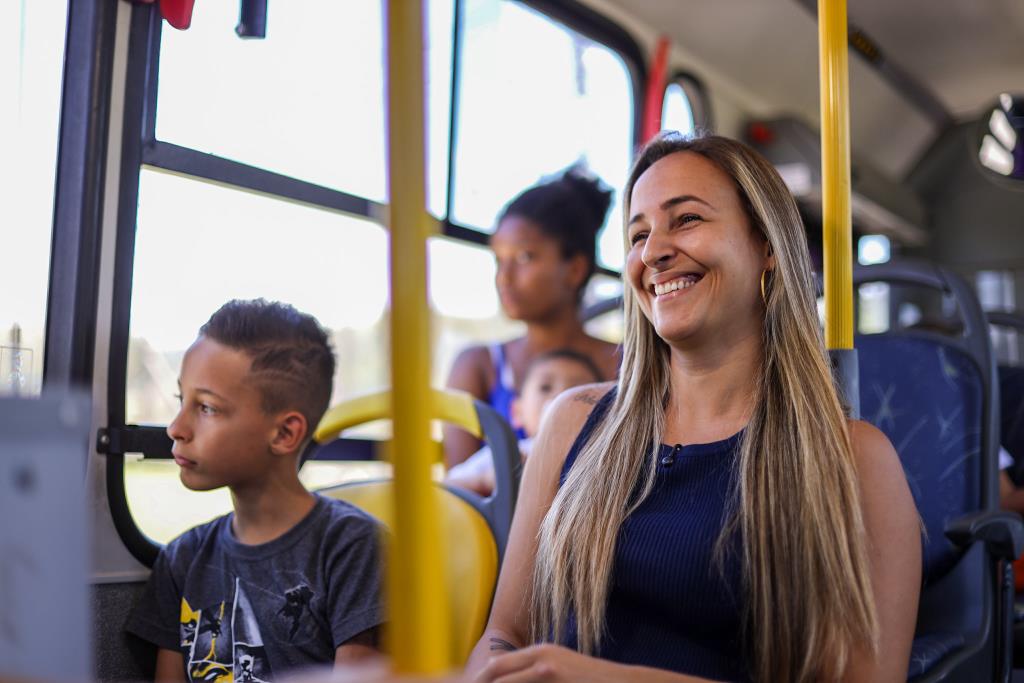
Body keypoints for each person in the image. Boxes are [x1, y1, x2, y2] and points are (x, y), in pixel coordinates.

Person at [466, 134, 921, 682]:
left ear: (766, 246)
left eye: (686, 220)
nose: (652, 252)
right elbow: (506, 632)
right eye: (639, 234)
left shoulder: (854, 459)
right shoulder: (574, 422)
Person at [127, 300, 385, 682]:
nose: (175, 428)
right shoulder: (183, 559)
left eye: (207, 408)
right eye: (182, 401)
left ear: (284, 433)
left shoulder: (353, 549)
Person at [443, 168, 621, 469]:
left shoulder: (628, 365)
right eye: (499, 260)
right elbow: (459, 489)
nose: (504, 277)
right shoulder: (478, 366)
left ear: (575, 269)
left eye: (525, 257)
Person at [445, 348, 602, 496]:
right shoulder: (506, 456)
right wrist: (484, 480)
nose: (560, 397)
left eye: (579, 392)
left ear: (604, 411)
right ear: (517, 412)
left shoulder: (600, 456)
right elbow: (447, 485)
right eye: (545, 388)